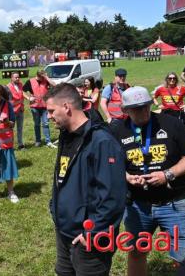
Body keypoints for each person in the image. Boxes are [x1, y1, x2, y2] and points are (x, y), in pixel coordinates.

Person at [110, 86, 185, 276]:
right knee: (136, 252)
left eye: (145, 106)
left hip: (175, 203)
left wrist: (167, 174)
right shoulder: (117, 131)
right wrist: (125, 176)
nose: (142, 111)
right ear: (125, 110)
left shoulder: (172, 124)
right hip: (137, 205)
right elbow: (111, 164)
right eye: (135, 108)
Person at [45, 83, 126, 276]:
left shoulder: (101, 141)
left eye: (50, 111)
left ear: (66, 107)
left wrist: (93, 233)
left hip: (89, 239)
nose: (48, 117)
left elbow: (113, 197)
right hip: (64, 231)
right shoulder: (67, 135)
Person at [23, 70, 57, 148]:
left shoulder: (46, 80)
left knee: (45, 123)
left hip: (45, 106)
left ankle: (48, 141)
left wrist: (47, 77)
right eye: (43, 77)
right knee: (37, 124)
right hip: (34, 106)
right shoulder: (30, 81)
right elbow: (22, 91)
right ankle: (38, 141)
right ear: (39, 76)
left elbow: (55, 85)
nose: (44, 79)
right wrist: (28, 98)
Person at [7, 72, 29, 149]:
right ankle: (10, 145)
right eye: (16, 77)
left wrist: (28, 98)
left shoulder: (20, 84)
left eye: (18, 77)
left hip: (20, 109)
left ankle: (20, 144)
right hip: (12, 111)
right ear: (11, 78)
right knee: (10, 129)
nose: (18, 78)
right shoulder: (8, 87)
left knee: (20, 128)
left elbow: (22, 93)